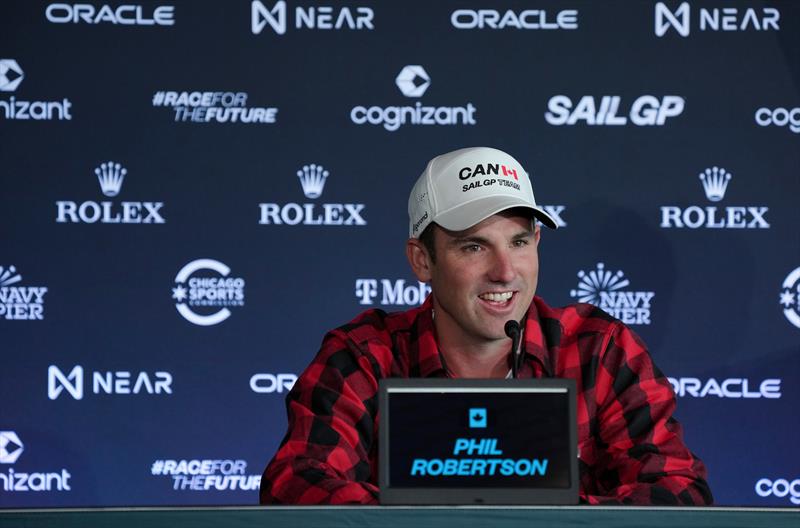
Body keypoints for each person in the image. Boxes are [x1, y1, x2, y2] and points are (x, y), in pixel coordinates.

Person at [259, 147, 713, 505]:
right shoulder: (364, 355)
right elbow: (295, 485)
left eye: (518, 242)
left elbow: (677, 492)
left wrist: (538, 518)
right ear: (422, 260)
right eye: (473, 247)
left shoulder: (598, 348)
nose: (504, 271)